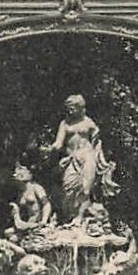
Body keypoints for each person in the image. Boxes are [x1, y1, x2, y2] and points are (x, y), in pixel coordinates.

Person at [43, 94, 118, 224]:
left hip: (88, 157)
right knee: (69, 188)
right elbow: (59, 143)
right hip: (72, 158)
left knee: (85, 188)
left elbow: (97, 142)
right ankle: (69, 217)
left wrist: (100, 159)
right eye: (68, 108)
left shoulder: (88, 122)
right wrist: (50, 149)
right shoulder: (64, 123)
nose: (69, 111)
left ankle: (79, 217)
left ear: (80, 107)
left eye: (72, 108)